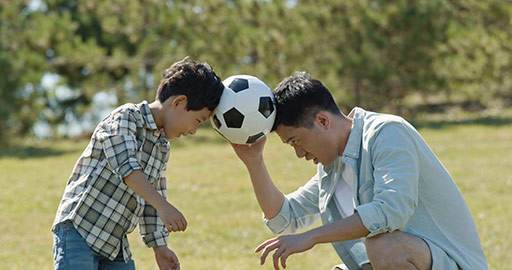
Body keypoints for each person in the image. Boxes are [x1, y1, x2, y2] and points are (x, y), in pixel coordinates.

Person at [231, 72, 487, 270]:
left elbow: (390, 210)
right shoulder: (331, 169)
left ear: (323, 121)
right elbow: (284, 218)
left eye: (297, 141)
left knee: (385, 247)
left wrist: (311, 237)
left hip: (454, 264)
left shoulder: (387, 132)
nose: (299, 153)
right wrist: (254, 162)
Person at [52, 58, 224, 270]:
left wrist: (159, 247)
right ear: (178, 102)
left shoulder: (162, 147)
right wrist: (163, 205)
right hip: (80, 229)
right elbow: (127, 167)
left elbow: (153, 196)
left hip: (115, 244)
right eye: (197, 121)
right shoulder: (125, 118)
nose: (193, 131)